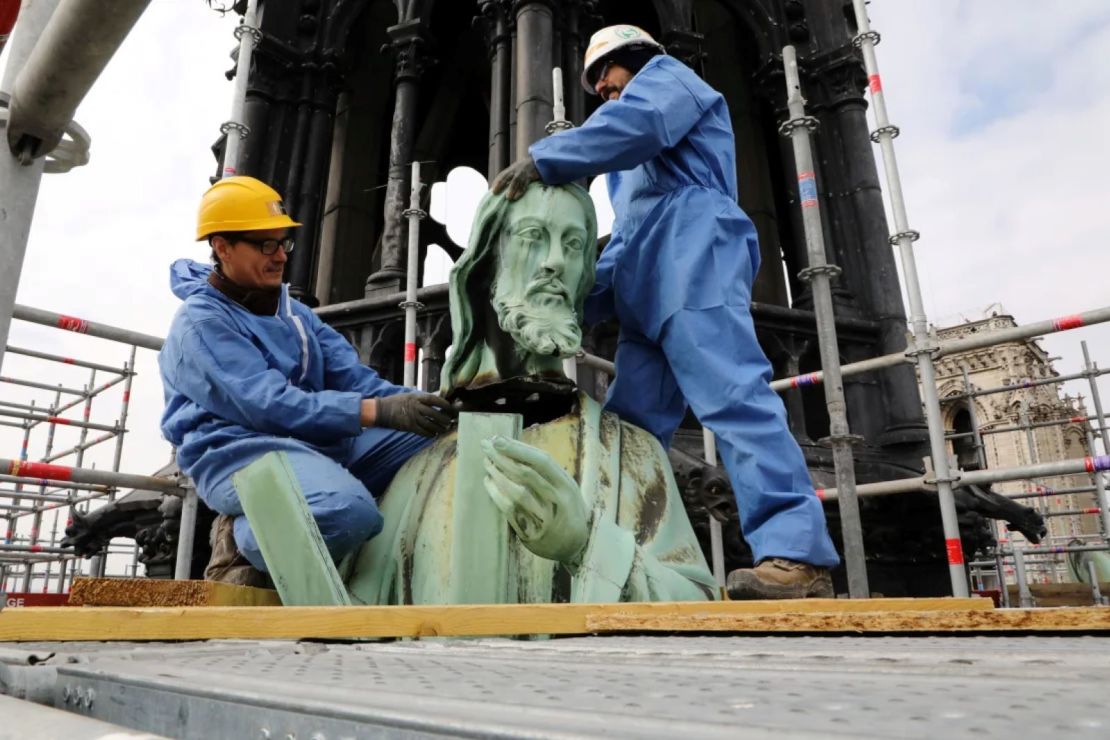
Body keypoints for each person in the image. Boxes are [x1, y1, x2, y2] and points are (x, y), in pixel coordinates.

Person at [492, 25, 840, 599]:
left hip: (695, 252)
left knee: (732, 397)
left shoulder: (668, 83)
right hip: (649, 276)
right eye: (596, 85)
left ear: (639, 57)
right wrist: (559, 293)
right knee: (631, 430)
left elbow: (638, 125)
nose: (602, 87)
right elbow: (627, 242)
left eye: (607, 72)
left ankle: (796, 554)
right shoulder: (629, 174)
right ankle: (622, 553)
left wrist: (545, 160)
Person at [344, 182, 718, 605]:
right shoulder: (415, 467)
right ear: (485, 269)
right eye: (532, 237)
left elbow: (696, 605)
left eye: (574, 244)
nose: (556, 261)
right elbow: (358, 615)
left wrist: (587, 545)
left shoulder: (632, 453)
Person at [159, 176, 456, 580]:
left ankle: (314, 503)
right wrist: (376, 412)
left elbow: (357, 380)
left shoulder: (294, 313)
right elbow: (268, 405)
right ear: (222, 247)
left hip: (315, 444)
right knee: (345, 512)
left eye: (283, 242)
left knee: (445, 434)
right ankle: (242, 538)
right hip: (243, 453)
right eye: (265, 244)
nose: (280, 256)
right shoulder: (201, 322)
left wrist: (440, 403)